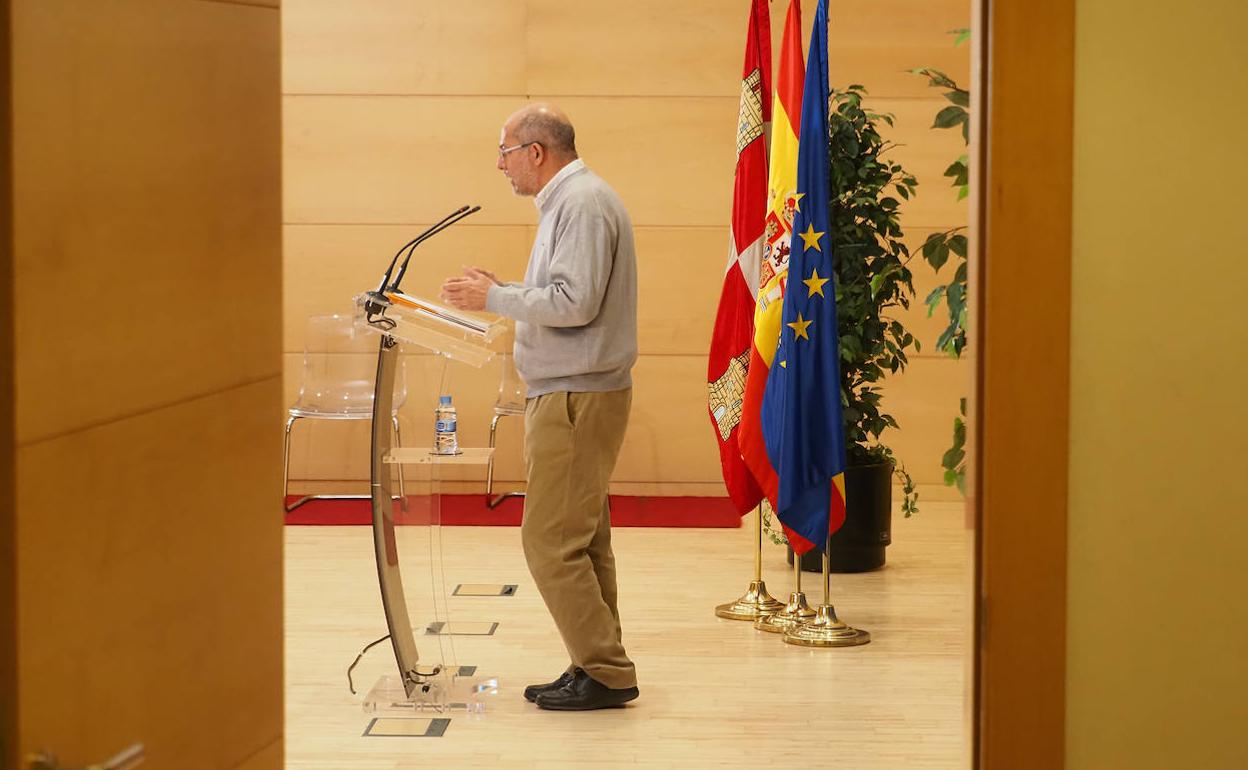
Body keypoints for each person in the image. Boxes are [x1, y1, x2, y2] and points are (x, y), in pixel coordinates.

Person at [439, 104, 639, 711]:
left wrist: (496, 296)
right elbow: (563, 294)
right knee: (581, 541)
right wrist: (508, 293)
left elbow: (574, 304)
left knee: (550, 543)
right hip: (577, 391)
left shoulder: (581, 202)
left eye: (503, 152)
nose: (499, 165)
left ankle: (606, 671)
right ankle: (596, 663)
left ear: (536, 151)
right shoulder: (572, 200)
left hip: (577, 395)